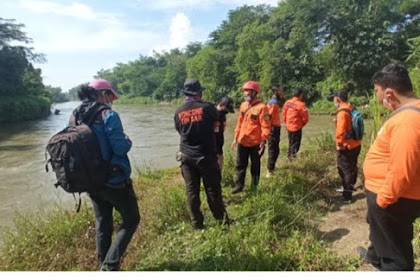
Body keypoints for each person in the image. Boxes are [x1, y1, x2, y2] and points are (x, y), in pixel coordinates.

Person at [70, 79, 140, 271]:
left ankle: (103, 264)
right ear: (103, 94)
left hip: (90, 181)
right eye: (110, 96)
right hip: (114, 180)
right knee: (131, 219)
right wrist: (127, 141)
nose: (112, 100)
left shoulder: (75, 116)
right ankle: (109, 267)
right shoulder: (109, 115)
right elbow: (120, 147)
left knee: (103, 223)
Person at [359, 63, 420, 270]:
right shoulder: (412, 112)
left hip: (393, 198)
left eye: (376, 91)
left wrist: (383, 201)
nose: (376, 97)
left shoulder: (407, 120)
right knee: (384, 236)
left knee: (395, 255)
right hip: (394, 194)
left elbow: (402, 168)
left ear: (389, 93)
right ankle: (375, 257)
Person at [174, 78, 230, 230]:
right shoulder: (207, 107)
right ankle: (222, 221)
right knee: (213, 190)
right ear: (199, 92)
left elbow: (180, 131)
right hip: (206, 156)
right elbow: (217, 126)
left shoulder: (178, 112)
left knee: (192, 191)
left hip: (186, 156)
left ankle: (197, 224)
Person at [231, 81, 271, 194]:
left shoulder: (262, 108)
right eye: (245, 91)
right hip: (242, 141)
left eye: (248, 91)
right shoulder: (243, 106)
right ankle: (239, 185)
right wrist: (235, 138)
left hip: (255, 143)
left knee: (255, 165)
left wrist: (263, 140)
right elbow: (239, 123)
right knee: (240, 164)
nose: (245, 94)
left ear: (254, 92)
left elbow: (266, 125)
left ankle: (254, 186)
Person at [332, 89, 362, 204]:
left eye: (334, 98)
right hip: (356, 144)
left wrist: (339, 145)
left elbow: (340, 132)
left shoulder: (342, 112)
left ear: (337, 99)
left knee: (344, 169)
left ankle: (347, 196)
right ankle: (350, 187)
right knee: (352, 166)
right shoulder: (351, 107)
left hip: (346, 146)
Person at [282, 88, 309, 160]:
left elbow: (284, 115)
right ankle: (292, 158)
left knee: (291, 142)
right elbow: (305, 118)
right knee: (296, 144)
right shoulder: (301, 105)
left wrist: (286, 123)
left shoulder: (287, 103)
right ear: (300, 95)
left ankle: (289, 156)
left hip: (288, 127)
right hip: (296, 127)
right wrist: (301, 125)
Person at [266, 86, 284, 178]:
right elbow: (268, 117)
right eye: (281, 91)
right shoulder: (273, 103)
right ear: (276, 92)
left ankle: (272, 167)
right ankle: (269, 170)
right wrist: (268, 130)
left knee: (276, 149)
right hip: (273, 128)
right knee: (272, 149)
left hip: (276, 127)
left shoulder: (275, 102)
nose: (283, 93)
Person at [215, 96, 235, 170]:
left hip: (219, 144)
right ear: (221, 105)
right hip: (211, 145)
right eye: (226, 109)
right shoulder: (212, 113)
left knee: (220, 165)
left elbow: (223, 128)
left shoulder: (223, 115)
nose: (227, 112)